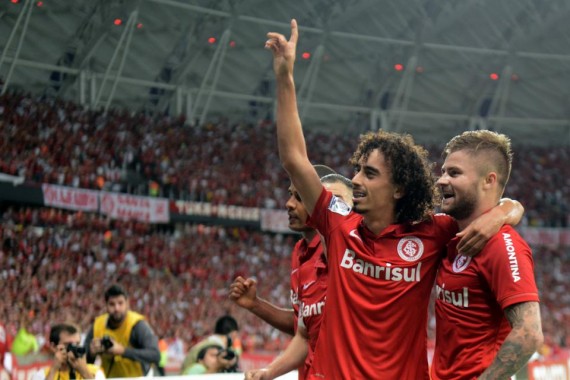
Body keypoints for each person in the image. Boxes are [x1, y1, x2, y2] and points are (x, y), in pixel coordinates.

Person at [263, 19, 524, 379]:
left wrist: (507, 211)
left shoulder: (434, 233)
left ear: (399, 188)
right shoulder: (339, 224)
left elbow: (487, 209)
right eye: (357, 170)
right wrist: (284, 77)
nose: (354, 180)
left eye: (369, 174)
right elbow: (294, 159)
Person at [431, 130, 543, 379]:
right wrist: (507, 208)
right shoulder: (450, 233)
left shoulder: (502, 245)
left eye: (454, 173)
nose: (441, 180)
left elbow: (529, 334)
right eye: (443, 172)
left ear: (488, 180)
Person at [230, 170, 353, 379]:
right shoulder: (300, 252)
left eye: (300, 196)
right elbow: (305, 328)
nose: (289, 203)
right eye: (291, 195)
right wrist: (256, 305)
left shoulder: (351, 256)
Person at [84, 284, 160, 378]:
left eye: (120, 303)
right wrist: (91, 353)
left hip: (138, 378)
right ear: (106, 305)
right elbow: (84, 361)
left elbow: (155, 355)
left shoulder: (137, 325)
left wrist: (123, 351)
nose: (116, 308)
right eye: (112, 304)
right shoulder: (97, 325)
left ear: (127, 303)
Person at [32, 323, 104, 380]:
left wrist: (85, 373)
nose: (74, 348)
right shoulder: (42, 375)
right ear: (53, 347)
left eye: (77, 344)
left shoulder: (95, 372)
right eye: (69, 345)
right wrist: (53, 370)